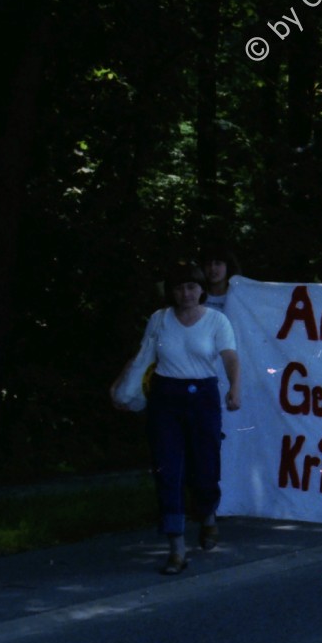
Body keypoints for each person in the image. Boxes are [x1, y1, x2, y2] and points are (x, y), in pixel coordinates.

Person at [111, 265, 241, 574]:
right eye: (180, 288)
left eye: (192, 287)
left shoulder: (216, 320)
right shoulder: (159, 319)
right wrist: (121, 387)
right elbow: (143, 356)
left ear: (201, 290)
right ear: (171, 291)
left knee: (205, 467)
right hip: (166, 398)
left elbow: (230, 356)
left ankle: (207, 516)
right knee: (167, 470)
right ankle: (177, 549)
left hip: (203, 397)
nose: (186, 294)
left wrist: (235, 388)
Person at [202, 245, 240, 314]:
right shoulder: (197, 295)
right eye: (208, 264)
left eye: (218, 263)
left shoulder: (238, 296)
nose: (212, 268)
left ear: (228, 266)